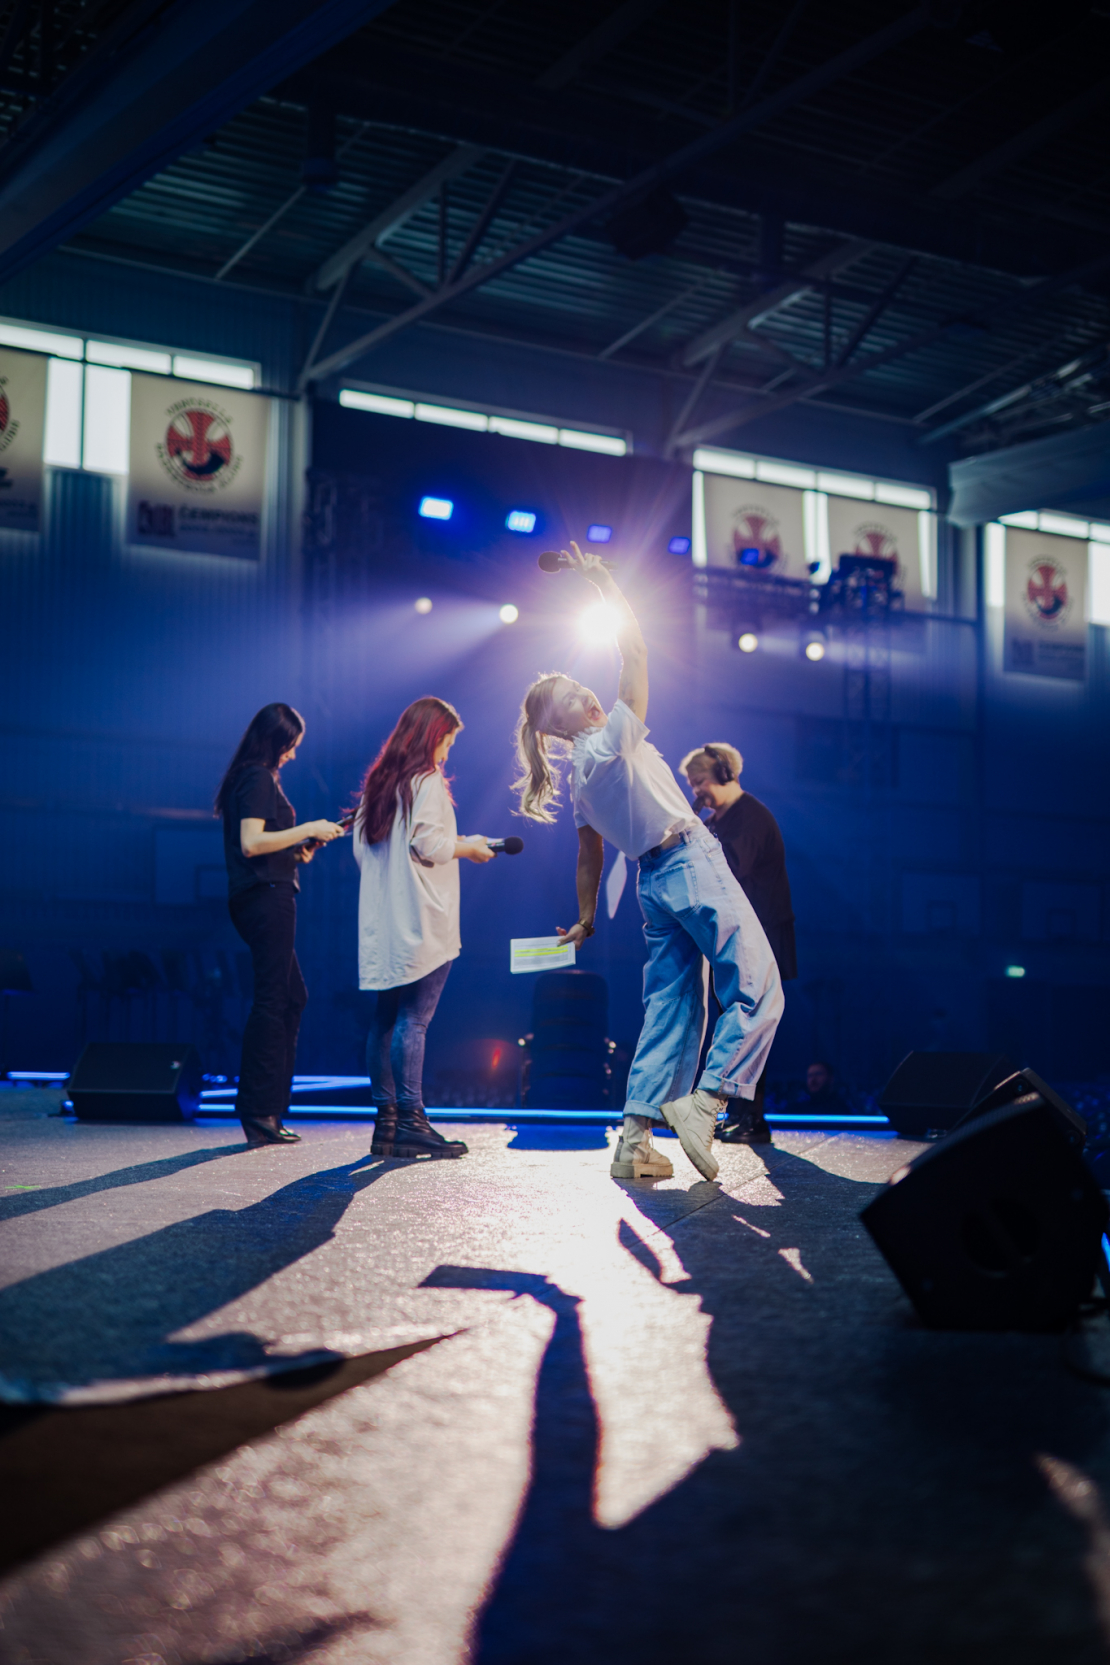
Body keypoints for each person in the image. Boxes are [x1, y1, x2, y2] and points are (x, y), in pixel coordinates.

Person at [512, 543, 784, 1183]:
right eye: (579, 692)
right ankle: (709, 1099)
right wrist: (607, 583)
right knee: (758, 985)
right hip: (687, 861)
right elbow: (634, 653)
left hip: (652, 886)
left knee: (671, 1008)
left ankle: (635, 1140)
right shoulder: (608, 741)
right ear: (571, 718)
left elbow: (589, 851)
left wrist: (584, 919)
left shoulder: (580, 775)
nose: (591, 693)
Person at [353, 696, 495, 1160]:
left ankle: (387, 1124)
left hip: (385, 921)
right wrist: (469, 847)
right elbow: (430, 843)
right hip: (421, 919)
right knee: (414, 1019)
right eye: (448, 741)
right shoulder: (427, 781)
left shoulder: (380, 784)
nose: (448, 753)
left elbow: (362, 852)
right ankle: (412, 1120)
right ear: (434, 736)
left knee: (385, 1018)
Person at [216, 702, 342, 1148]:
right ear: (276, 740)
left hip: (267, 891)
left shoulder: (254, 777)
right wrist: (306, 826)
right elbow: (252, 843)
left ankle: (267, 1108)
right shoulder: (256, 777)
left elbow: (266, 844)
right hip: (265, 898)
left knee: (291, 997)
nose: (292, 755)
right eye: (290, 747)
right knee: (274, 1000)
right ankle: (258, 1111)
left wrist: (301, 849)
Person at [681, 742, 796, 1145]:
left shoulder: (749, 817)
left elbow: (728, 868)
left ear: (726, 774)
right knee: (737, 1022)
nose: (696, 792)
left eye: (700, 782)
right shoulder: (719, 819)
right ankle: (741, 1113)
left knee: (751, 1021)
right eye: (692, 785)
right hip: (737, 939)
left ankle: (753, 1118)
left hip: (761, 935)